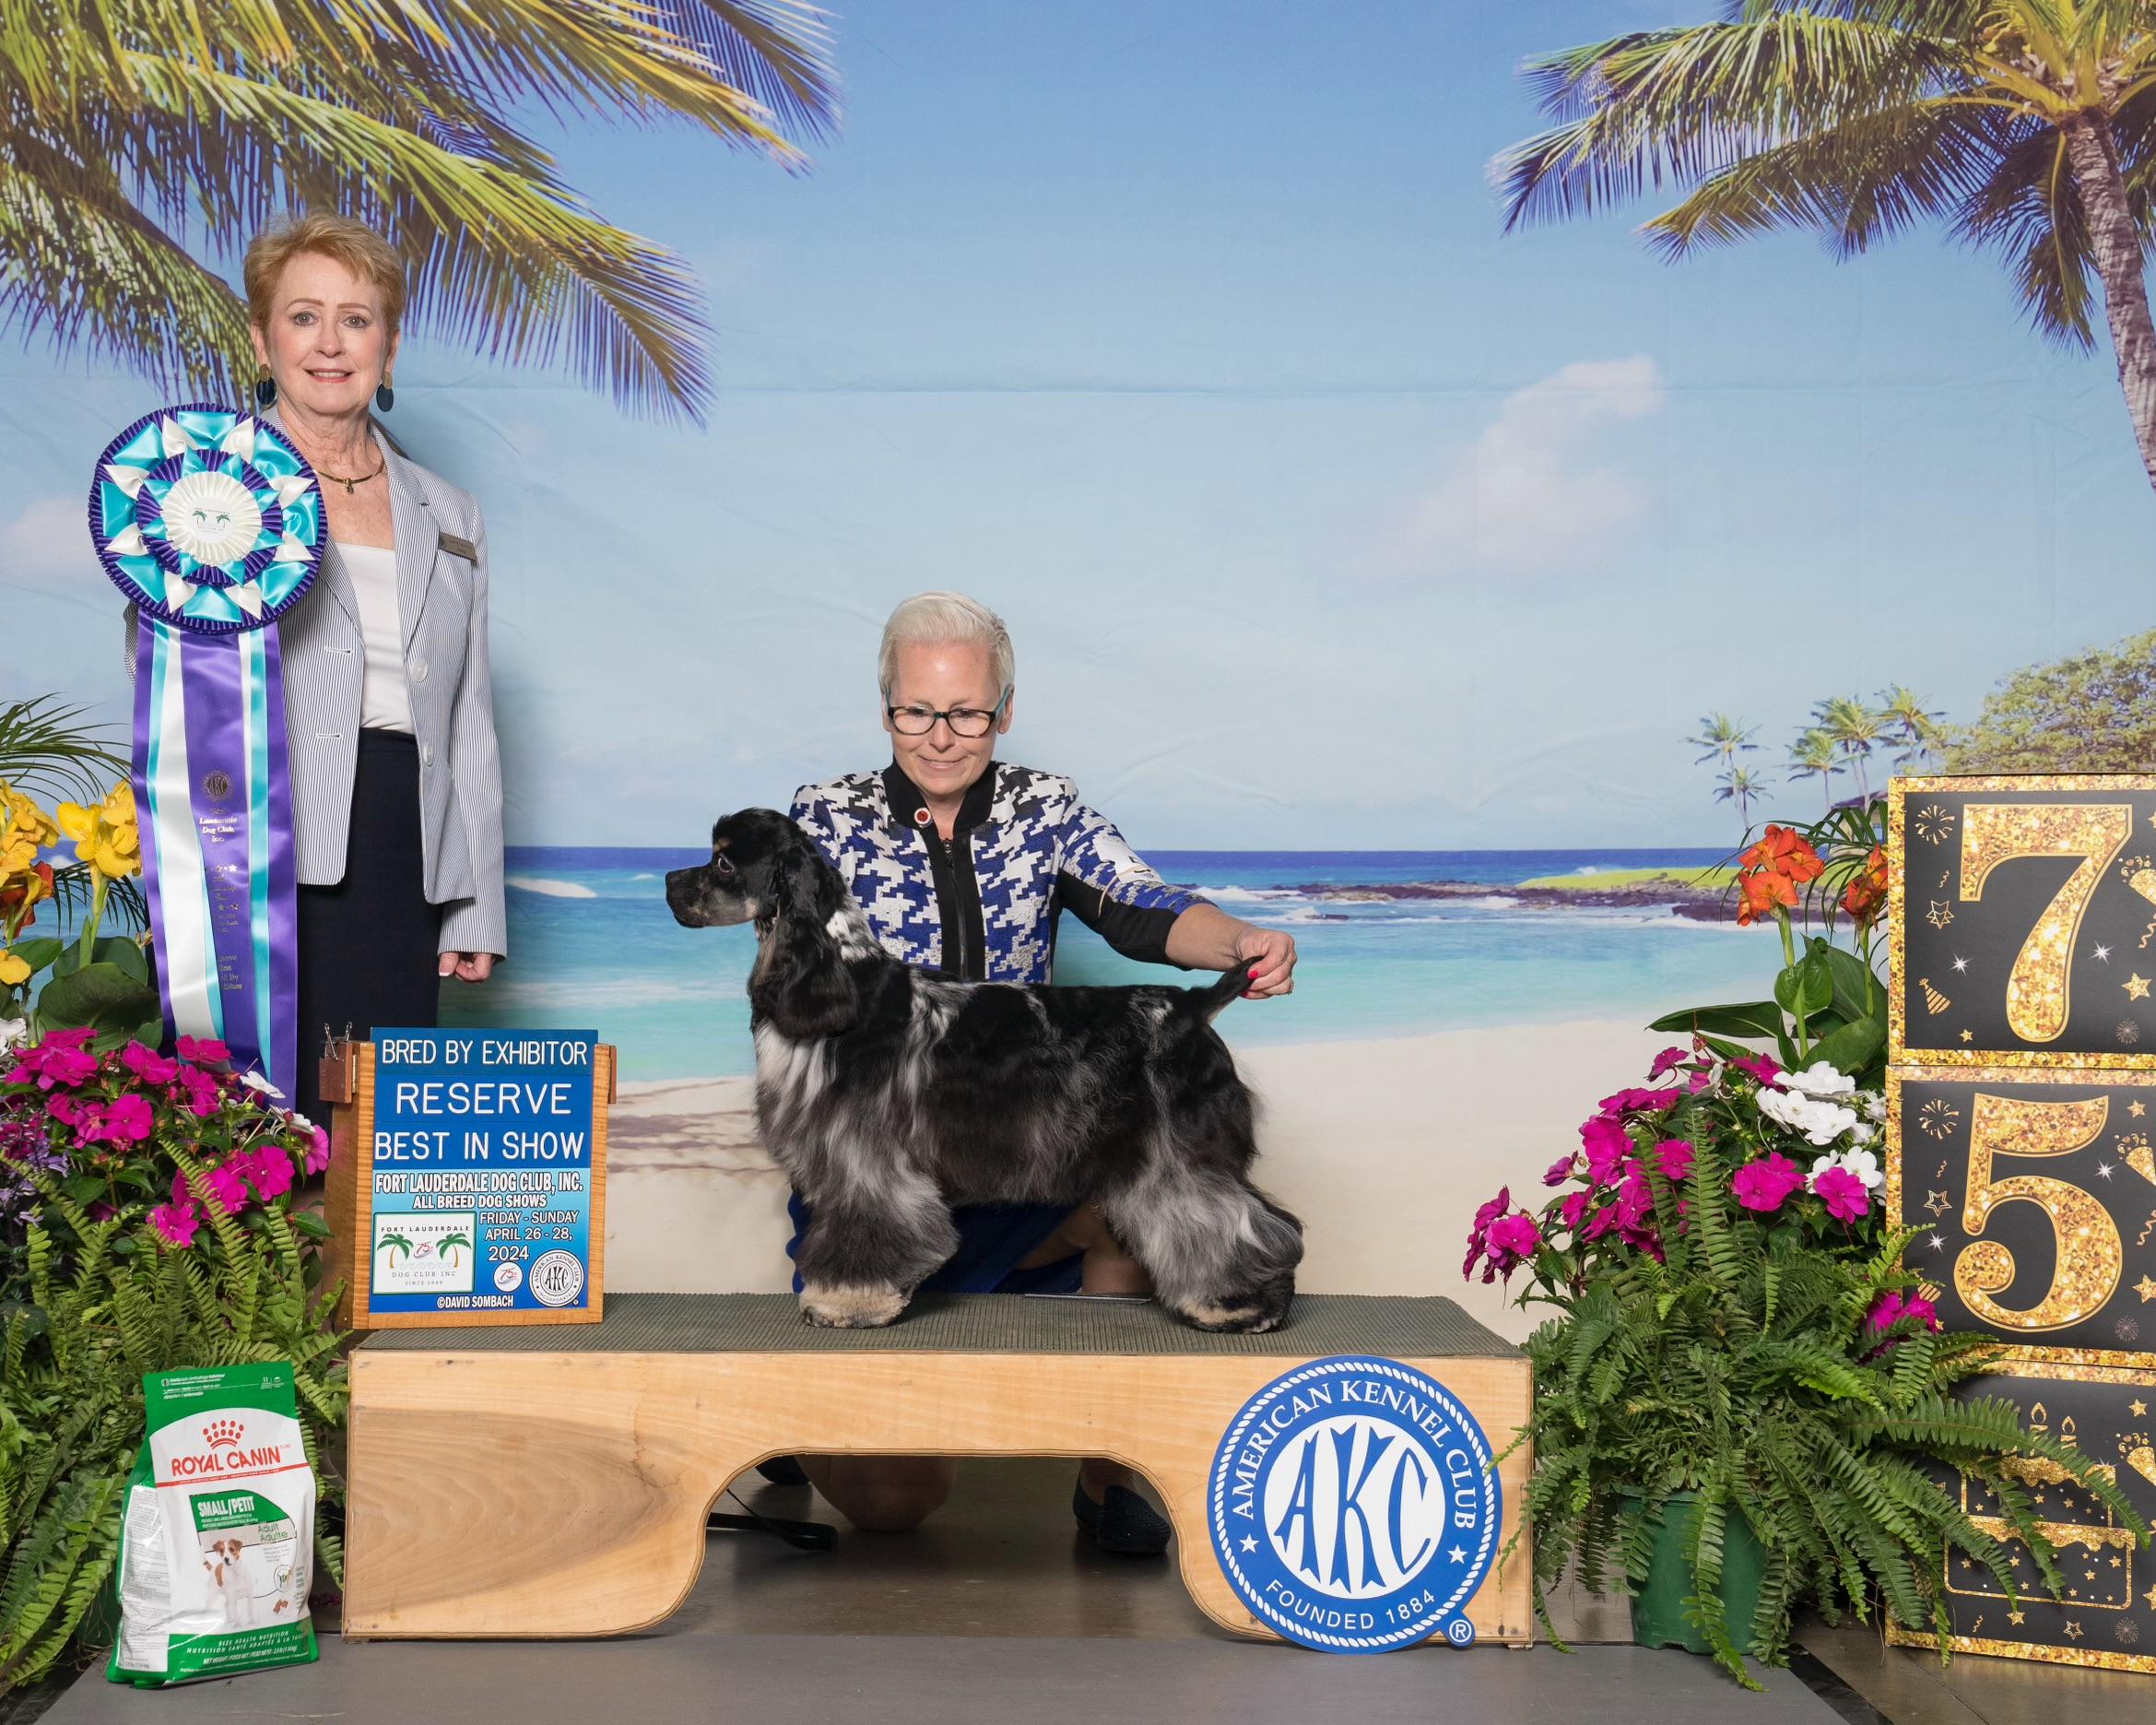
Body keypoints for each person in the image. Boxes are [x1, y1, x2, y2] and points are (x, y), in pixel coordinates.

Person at [777, 591, 1297, 1554]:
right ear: (885, 706)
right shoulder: (826, 816)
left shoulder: (1044, 808)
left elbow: (1139, 903)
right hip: (882, 1166)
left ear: (1004, 710)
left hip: (1023, 1146)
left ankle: (1109, 1471)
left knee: (1141, 1186)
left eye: (966, 713)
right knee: (891, 1504)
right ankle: (793, 1427)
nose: (940, 736)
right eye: (915, 711)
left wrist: (1236, 941)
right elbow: (797, 984)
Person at [131, 213, 506, 1119]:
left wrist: (476, 902)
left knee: (375, 1135)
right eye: (303, 317)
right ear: (263, 341)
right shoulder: (205, 492)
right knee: (249, 1131)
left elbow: (469, 719)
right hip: (256, 843)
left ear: (390, 345)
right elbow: (166, 684)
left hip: (405, 854)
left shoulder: (451, 510)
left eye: (356, 319)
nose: (330, 343)